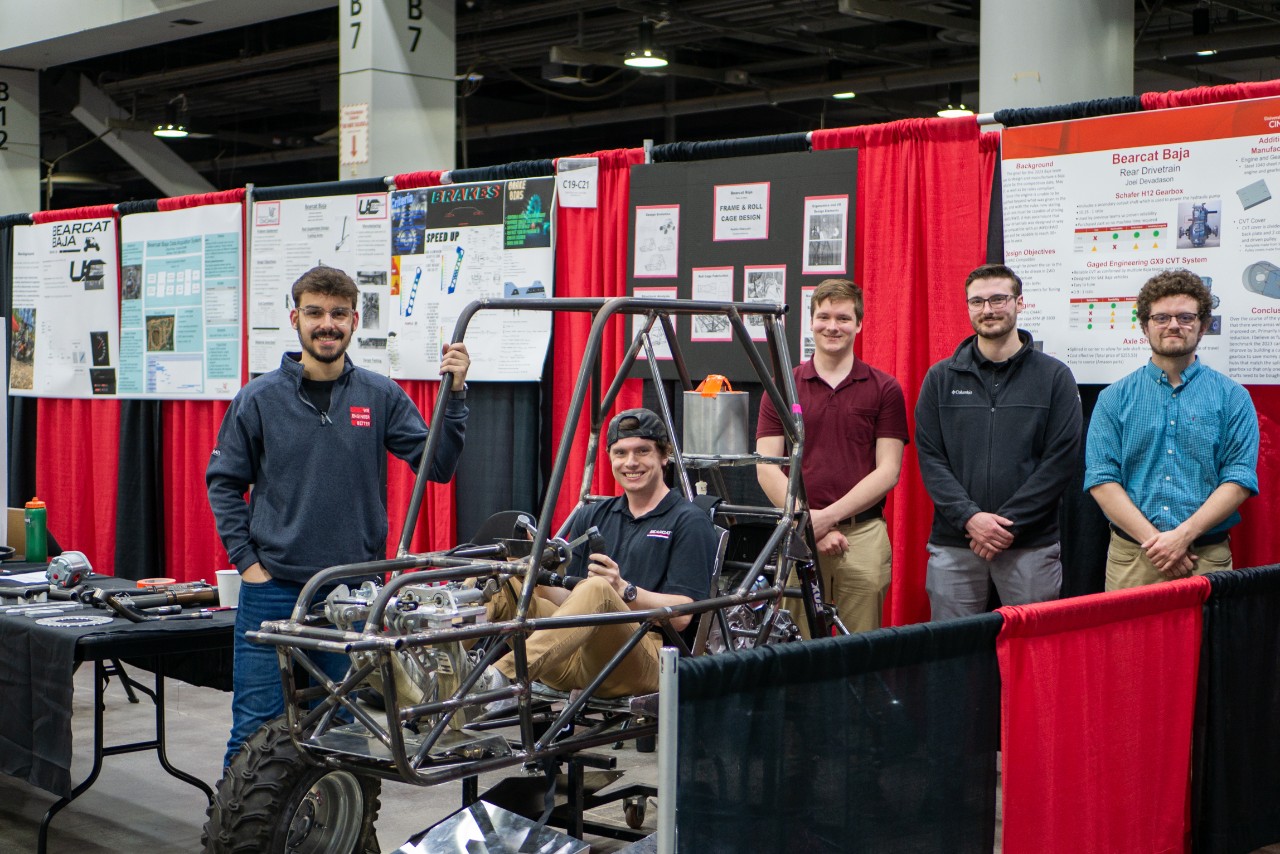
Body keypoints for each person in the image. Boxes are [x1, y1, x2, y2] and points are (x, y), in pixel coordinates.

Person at [207, 265, 470, 764]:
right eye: (315, 313)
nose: (327, 324)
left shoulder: (380, 395)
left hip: (349, 594)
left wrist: (455, 395)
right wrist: (249, 567)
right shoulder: (258, 399)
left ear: (353, 322)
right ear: (295, 318)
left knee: (342, 728)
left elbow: (437, 465)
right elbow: (223, 485)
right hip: (274, 589)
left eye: (338, 314)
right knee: (255, 728)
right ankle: (241, 841)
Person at [482, 408, 717, 698]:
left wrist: (623, 589)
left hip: (646, 656)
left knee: (598, 587)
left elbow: (682, 616)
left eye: (642, 451)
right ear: (610, 458)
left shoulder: (689, 521)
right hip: (576, 652)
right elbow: (574, 601)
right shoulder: (594, 515)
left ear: (663, 456)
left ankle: (500, 677)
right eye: (620, 453)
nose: (631, 462)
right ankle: (432, 674)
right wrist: (535, 575)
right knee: (502, 578)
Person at [915, 263, 1081, 620]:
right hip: (956, 544)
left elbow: (1060, 461)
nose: (988, 309)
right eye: (977, 301)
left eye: (998, 299)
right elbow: (931, 459)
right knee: (952, 656)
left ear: (1020, 303)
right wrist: (971, 519)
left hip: (1030, 546)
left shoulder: (1054, 377)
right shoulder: (940, 378)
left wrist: (1007, 525)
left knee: (1035, 656)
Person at [1085, 269, 1259, 590]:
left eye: (1185, 317)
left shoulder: (1234, 398)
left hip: (1206, 557)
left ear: (1204, 325)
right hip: (1134, 558)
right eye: (1162, 317)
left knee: (1206, 642)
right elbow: (1102, 480)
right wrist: (1159, 544)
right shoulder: (1113, 399)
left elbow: (1238, 480)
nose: (1173, 325)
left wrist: (1182, 537)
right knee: (1131, 641)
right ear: (1145, 326)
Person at [756, 278, 908, 635]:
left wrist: (825, 519)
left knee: (861, 648)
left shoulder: (885, 389)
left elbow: (889, 471)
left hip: (863, 534)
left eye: (843, 318)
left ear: (859, 324)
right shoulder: (782, 386)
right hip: (797, 532)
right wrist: (808, 524)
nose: (832, 326)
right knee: (798, 648)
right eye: (823, 317)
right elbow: (767, 467)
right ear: (811, 322)